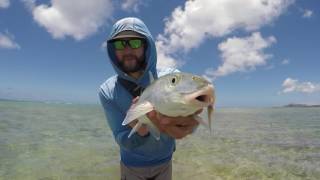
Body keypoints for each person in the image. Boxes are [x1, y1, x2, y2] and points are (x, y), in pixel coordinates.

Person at [99, 17, 200, 180]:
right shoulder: (108, 91)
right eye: (119, 44)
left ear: (147, 45)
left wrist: (184, 119)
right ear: (112, 50)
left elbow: (189, 118)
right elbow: (120, 138)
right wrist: (141, 129)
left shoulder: (172, 77)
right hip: (131, 167)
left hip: (165, 163)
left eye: (135, 43)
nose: (127, 51)